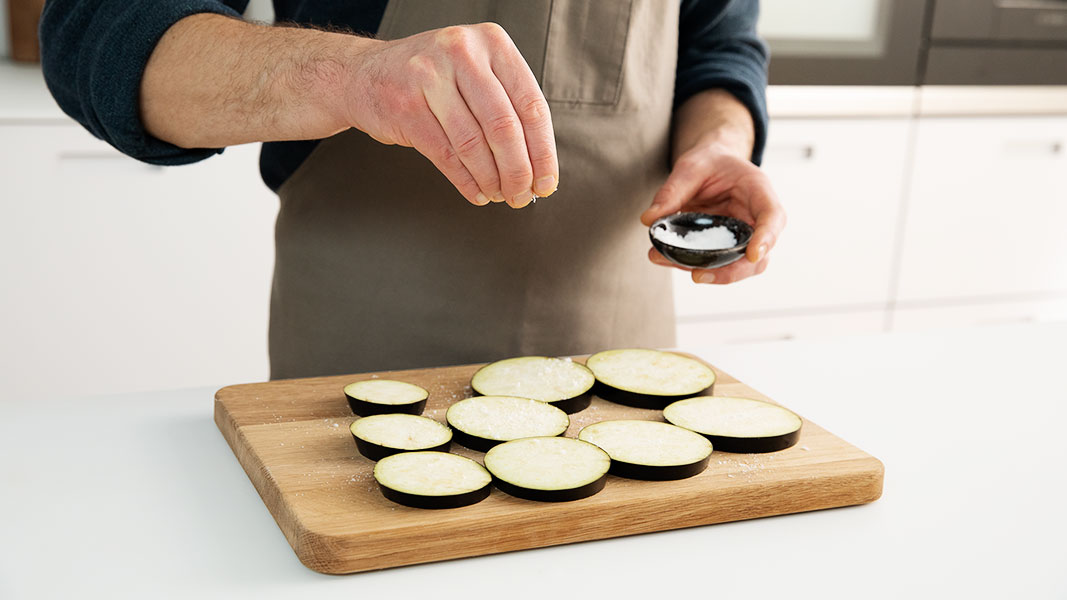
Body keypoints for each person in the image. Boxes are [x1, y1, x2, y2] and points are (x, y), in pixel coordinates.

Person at [40, 0, 785, 379]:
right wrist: (349, 76)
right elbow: (99, 30)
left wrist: (720, 143)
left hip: (623, 348)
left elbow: (719, 49)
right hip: (357, 359)